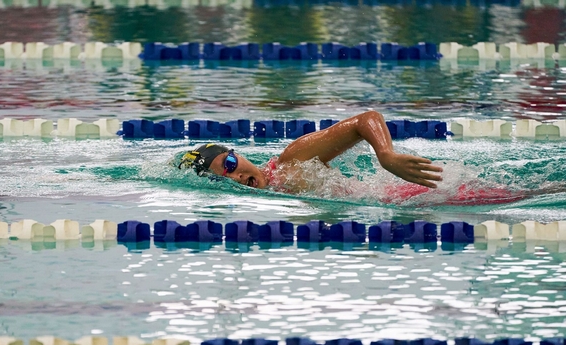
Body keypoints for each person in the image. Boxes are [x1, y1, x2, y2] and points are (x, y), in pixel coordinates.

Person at [178, 111, 523, 204]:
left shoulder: (291, 161)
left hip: (423, 191)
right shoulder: (276, 194)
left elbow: (363, 120)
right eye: (222, 180)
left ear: (238, 155)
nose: (235, 178)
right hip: (412, 202)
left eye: (230, 166)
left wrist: (386, 155)